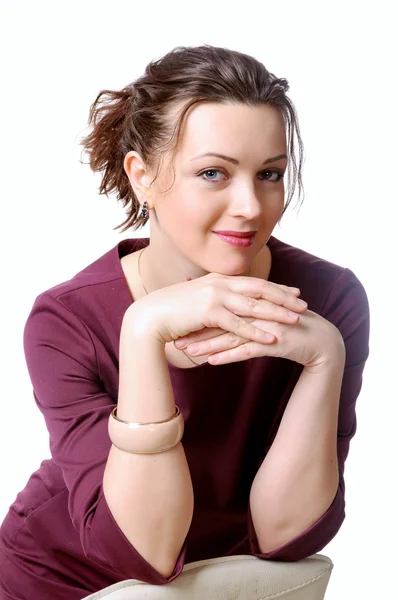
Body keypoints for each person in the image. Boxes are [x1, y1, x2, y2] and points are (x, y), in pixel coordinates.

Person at [0, 44, 370, 600]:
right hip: (58, 577)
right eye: (214, 173)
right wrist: (143, 332)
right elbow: (145, 554)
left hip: (219, 579)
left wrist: (325, 358)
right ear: (142, 176)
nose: (250, 205)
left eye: (269, 173)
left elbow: (286, 540)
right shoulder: (67, 319)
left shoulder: (326, 299)